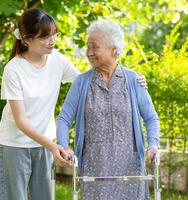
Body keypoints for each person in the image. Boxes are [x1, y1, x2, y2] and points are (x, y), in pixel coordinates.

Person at [0, 9, 147, 200]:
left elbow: (86, 82)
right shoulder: (14, 69)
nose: (52, 41)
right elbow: (20, 120)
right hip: (14, 145)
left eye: (54, 35)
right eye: (45, 37)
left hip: (44, 145)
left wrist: (133, 78)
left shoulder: (57, 60)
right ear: (26, 39)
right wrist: (53, 146)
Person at [56, 20, 160, 200]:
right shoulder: (81, 83)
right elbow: (64, 119)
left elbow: (151, 118)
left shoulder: (134, 81)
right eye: (88, 47)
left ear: (114, 49)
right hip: (95, 166)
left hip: (130, 165)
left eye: (94, 47)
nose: (89, 53)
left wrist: (152, 145)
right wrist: (64, 147)